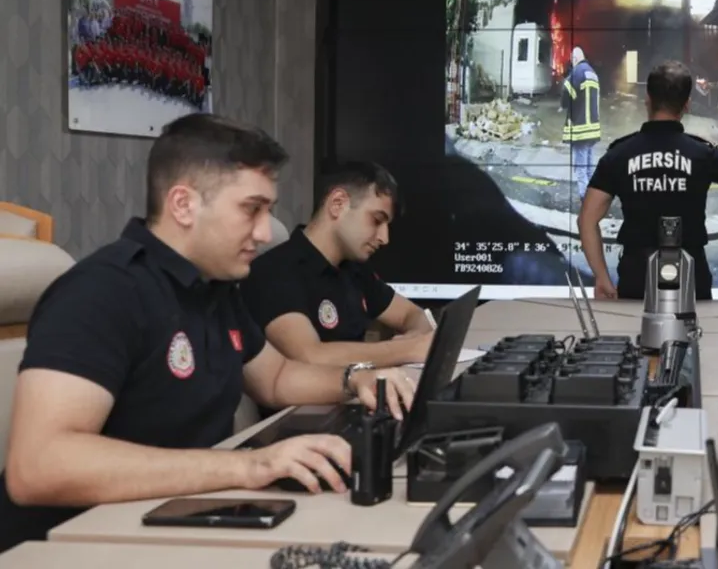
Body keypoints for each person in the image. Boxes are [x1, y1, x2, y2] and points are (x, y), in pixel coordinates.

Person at [0, 114, 416, 552]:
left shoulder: (214, 288)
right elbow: (38, 468)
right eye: (251, 209)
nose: (264, 232)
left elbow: (276, 379)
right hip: (72, 545)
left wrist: (356, 379)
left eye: (268, 211)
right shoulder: (102, 291)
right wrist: (248, 467)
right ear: (183, 205)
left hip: (166, 521)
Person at [579, 60, 718, 301]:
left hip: (637, 277)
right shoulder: (702, 154)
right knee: (693, 326)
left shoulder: (619, 154)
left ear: (647, 99)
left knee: (636, 326)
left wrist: (602, 278)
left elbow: (587, 219)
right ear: (687, 104)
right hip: (691, 276)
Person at [240, 161, 437, 372]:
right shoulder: (274, 271)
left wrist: (415, 337)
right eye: (376, 220)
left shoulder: (355, 269)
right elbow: (310, 356)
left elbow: (412, 315)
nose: (384, 238)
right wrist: (406, 349)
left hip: (356, 388)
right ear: (338, 204)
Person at [562, 46, 602, 201]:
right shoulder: (593, 74)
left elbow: (565, 93)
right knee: (589, 168)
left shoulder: (577, 72)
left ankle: (586, 200)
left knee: (581, 169)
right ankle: (594, 196)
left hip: (581, 131)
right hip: (593, 130)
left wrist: (564, 105)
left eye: (572, 60)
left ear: (575, 59)